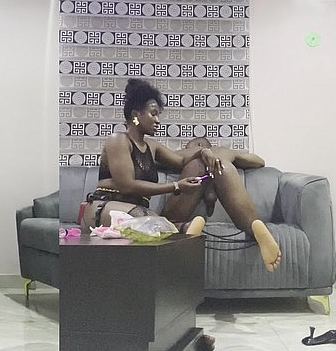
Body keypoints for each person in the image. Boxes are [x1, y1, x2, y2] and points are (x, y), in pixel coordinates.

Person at [84, 78, 210, 238]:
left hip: (138, 211)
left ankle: (179, 230)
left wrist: (203, 152)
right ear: (136, 115)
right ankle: (180, 229)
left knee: (148, 220)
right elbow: (127, 185)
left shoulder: (152, 146)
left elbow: (182, 161)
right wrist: (176, 186)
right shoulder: (118, 140)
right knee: (145, 219)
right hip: (105, 206)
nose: (158, 121)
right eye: (153, 114)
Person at [162, 137, 282, 271]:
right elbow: (259, 162)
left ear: (198, 144)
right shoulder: (224, 151)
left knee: (165, 224)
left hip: (196, 171)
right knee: (224, 167)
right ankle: (253, 225)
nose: (186, 149)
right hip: (223, 168)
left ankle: (184, 227)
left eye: (187, 146)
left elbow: (158, 160)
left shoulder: (192, 152)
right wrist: (234, 158)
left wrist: (190, 154)